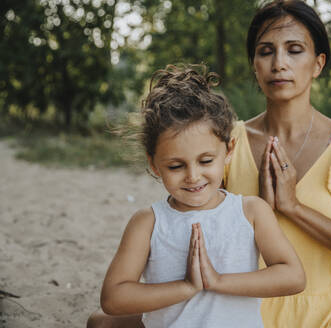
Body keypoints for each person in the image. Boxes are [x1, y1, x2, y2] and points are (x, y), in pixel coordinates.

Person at [90, 64, 305, 328]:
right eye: (176, 166)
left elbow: (293, 276)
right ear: (154, 164)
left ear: (228, 150)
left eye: (205, 161)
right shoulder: (148, 222)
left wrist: (217, 281)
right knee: (99, 322)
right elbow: (113, 299)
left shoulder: (250, 211)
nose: (193, 176)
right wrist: (187, 287)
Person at [223, 1, 331, 327]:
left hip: (325, 318)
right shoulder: (228, 141)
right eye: (266, 51)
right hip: (239, 315)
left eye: (295, 50)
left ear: (318, 64)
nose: (279, 63)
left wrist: (293, 208)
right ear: (254, 65)